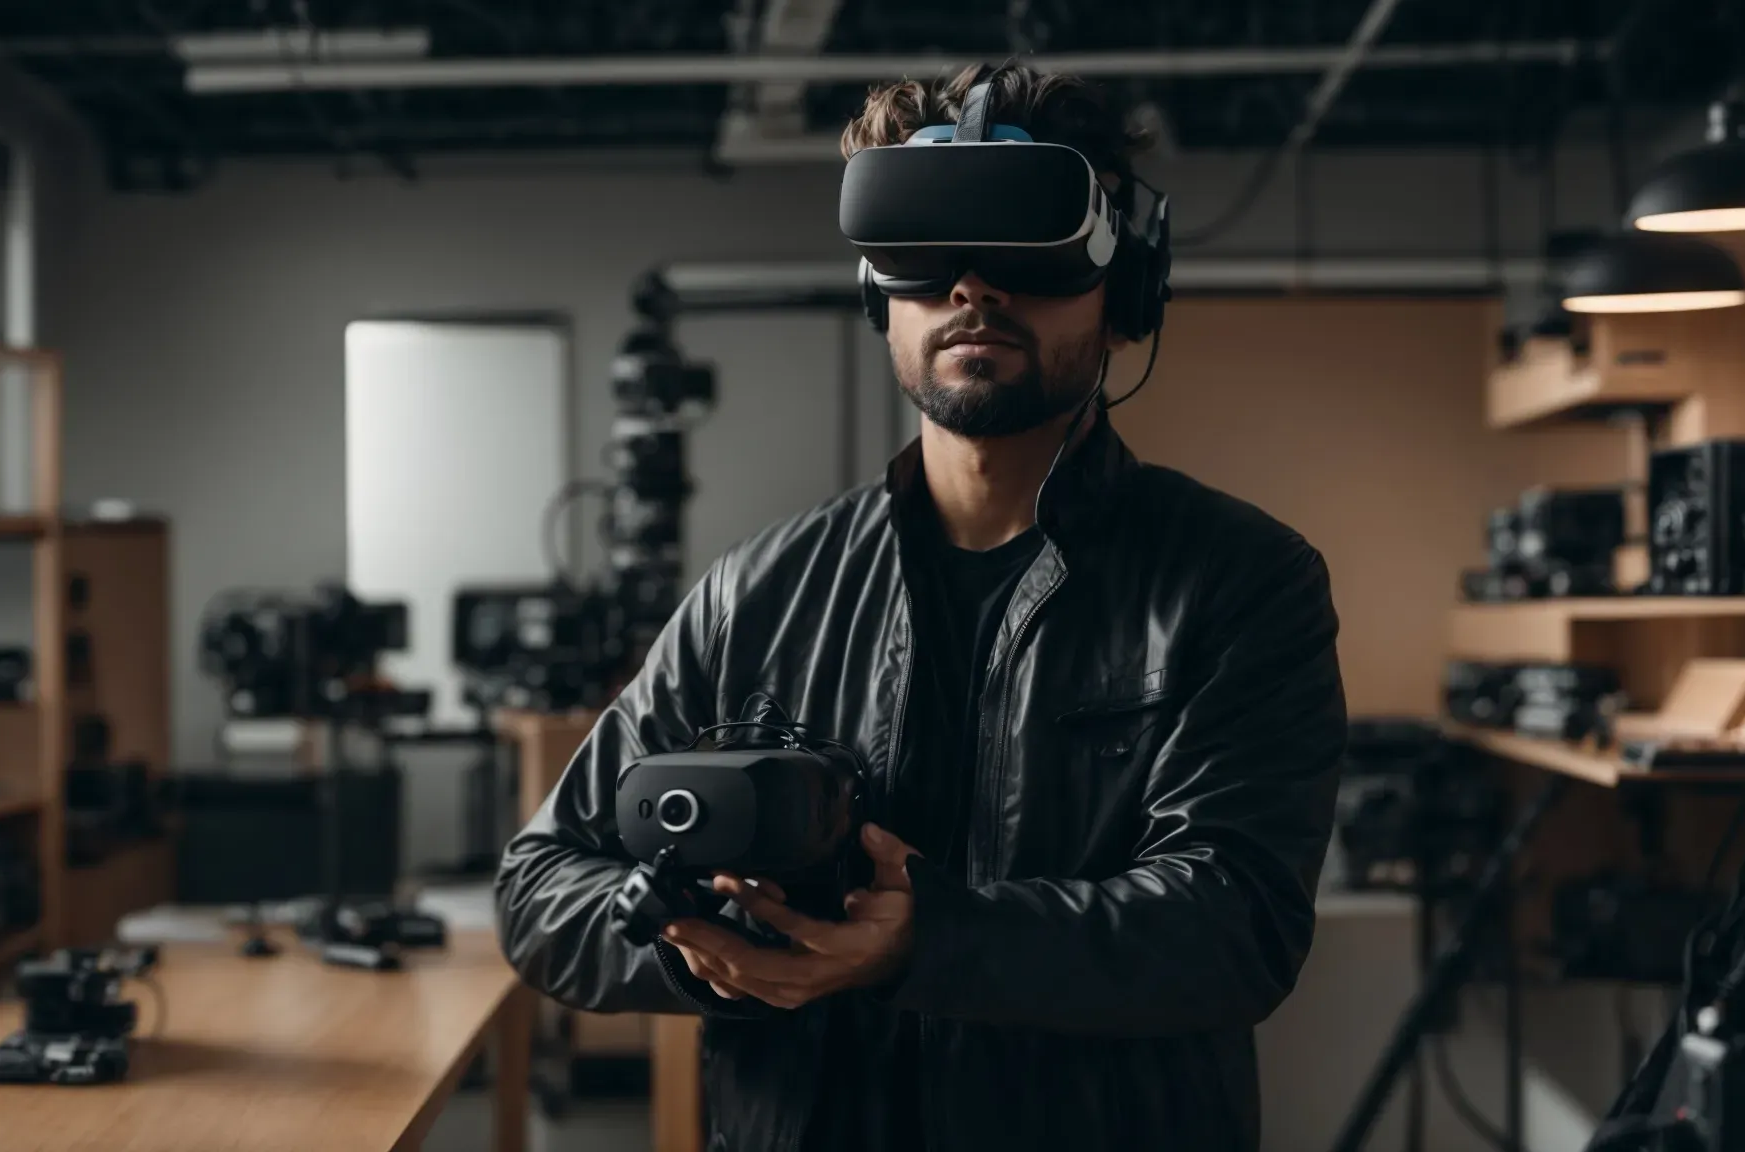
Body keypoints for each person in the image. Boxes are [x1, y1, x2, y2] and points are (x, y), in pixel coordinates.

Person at [495, 61, 1348, 1152]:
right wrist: (689, 948)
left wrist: (928, 942)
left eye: (1024, 246)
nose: (971, 288)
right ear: (874, 294)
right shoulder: (757, 595)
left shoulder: (1237, 582)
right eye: (924, 250)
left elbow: (1234, 927)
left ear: (1123, 292)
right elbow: (540, 889)